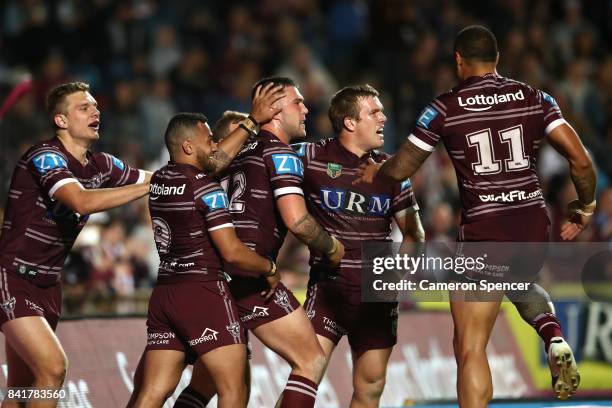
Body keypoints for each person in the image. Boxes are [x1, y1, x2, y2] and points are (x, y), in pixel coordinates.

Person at [356, 26, 595, 406]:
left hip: (487, 227)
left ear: (457, 60)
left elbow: (402, 167)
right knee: (516, 280)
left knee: (470, 347)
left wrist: (376, 173)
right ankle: (553, 335)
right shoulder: (536, 97)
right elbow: (581, 161)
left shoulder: (445, 107)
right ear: (497, 59)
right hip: (533, 225)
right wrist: (585, 207)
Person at [176, 77, 345, 408]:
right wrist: (332, 247)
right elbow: (298, 221)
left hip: (205, 273)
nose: (306, 108)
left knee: (212, 384)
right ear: (277, 110)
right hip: (249, 273)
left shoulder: (231, 153)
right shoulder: (281, 154)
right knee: (310, 359)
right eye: (298, 102)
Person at [127, 84, 286, 408]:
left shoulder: (157, 182)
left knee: (152, 392)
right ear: (188, 146)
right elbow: (232, 252)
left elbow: (213, 160)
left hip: (165, 294)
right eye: (208, 138)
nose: (214, 144)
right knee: (234, 389)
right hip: (203, 292)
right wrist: (268, 267)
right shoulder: (205, 188)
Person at [0, 81, 151, 407]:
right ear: (62, 121)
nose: (95, 111)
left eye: (96, 106)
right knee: (53, 368)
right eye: (84, 107)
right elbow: (80, 201)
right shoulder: (44, 156)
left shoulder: (102, 165)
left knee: (20, 391)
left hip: (49, 285)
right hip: (14, 277)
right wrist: (146, 189)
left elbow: (155, 178)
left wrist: (193, 173)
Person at [297, 84, 424, 407]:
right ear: (350, 123)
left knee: (370, 388)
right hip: (329, 286)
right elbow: (263, 161)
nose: (384, 117)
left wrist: (398, 276)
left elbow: (415, 235)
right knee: (305, 376)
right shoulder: (310, 156)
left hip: (376, 290)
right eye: (374, 112)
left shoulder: (392, 170)